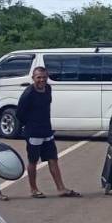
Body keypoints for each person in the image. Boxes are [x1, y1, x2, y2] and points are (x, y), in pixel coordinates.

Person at [17, 66, 79, 198]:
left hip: (47, 131)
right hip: (33, 133)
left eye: (44, 77)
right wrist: (30, 125)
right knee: (33, 161)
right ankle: (33, 189)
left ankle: (61, 188)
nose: (42, 80)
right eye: (38, 77)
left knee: (53, 159)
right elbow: (20, 114)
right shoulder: (28, 94)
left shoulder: (48, 89)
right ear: (33, 78)